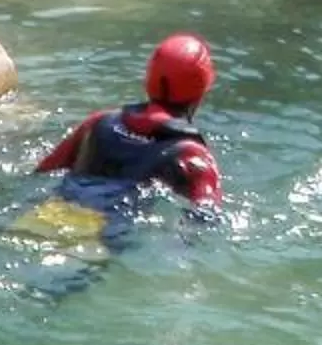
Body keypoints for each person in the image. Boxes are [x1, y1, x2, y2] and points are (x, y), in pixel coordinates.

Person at [33, 33, 223, 213]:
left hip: (54, 209)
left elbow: (42, 171)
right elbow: (206, 215)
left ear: (148, 80)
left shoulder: (99, 121)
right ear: (201, 91)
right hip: (107, 232)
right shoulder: (193, 155)